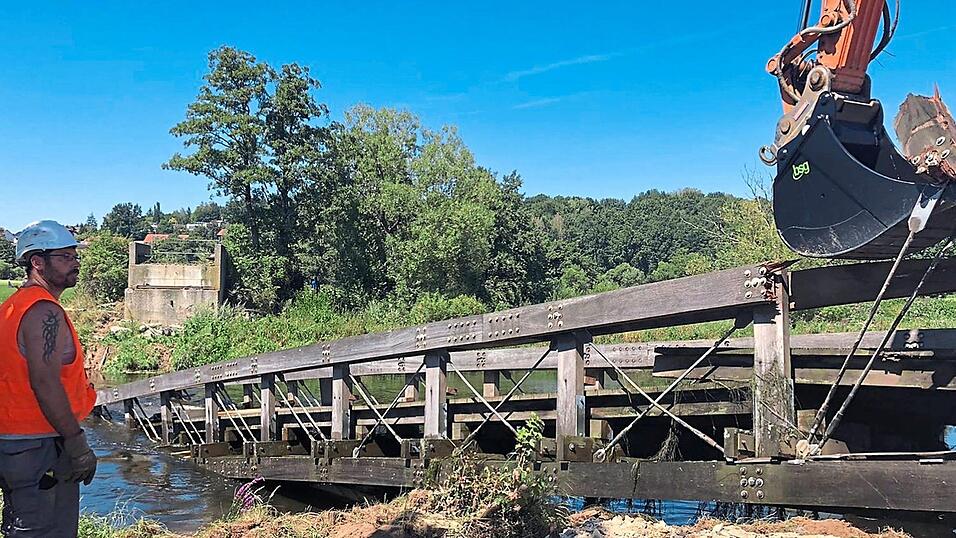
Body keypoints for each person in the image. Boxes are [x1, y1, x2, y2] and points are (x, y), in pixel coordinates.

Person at [0, 220, 97, 537]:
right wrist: (76, 442)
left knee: (23, 527)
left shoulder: (11, 308)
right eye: (65, 257)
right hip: (40, 446)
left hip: (14, 445)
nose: (75, 263)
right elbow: (45, 382)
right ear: (37, 262)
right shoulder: (45, 311)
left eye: (75, 256)